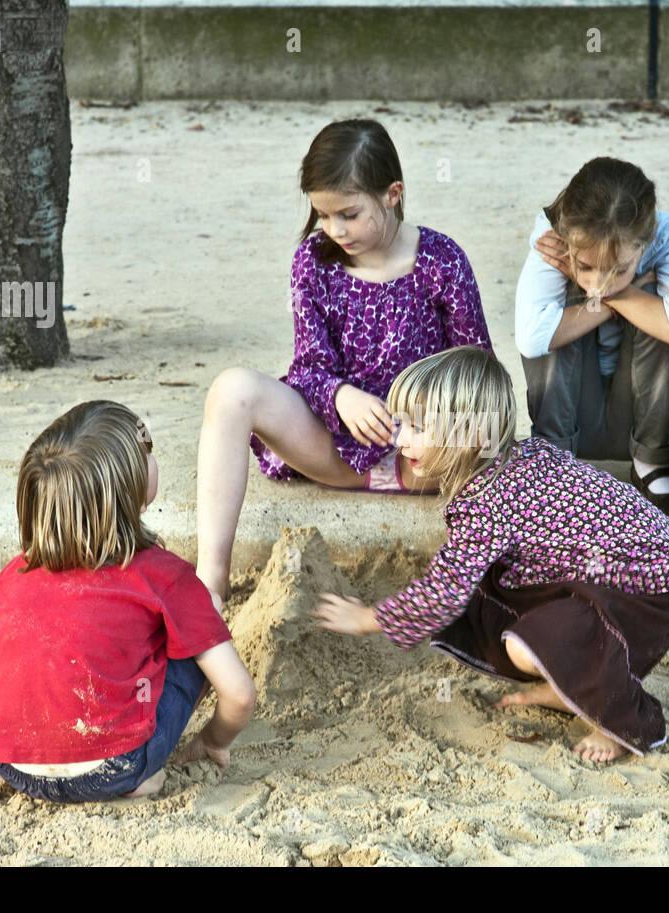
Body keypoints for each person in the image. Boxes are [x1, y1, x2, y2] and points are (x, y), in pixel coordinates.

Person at [313, 346, 669, 763]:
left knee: (523, 643)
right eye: (401, 424)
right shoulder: (512, 459)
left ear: (475, 436)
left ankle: (616, 720)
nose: (401, 439)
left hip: (647, 586)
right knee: (493, 595)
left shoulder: (490, 500)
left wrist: (367, 619)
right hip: (623, 568)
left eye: (418, 427)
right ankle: (568, 684)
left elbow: (442, 595)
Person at [196, 118, 492, 612]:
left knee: (480, 432)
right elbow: (309, 366)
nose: (335, 229)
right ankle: (211, 580)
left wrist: (426, 432)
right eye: (323, 215)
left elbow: (477, 375)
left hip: (423, 454)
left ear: (393, 193)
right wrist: (340, 395)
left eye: (349, 214)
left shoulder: (442, 262)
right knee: (231, 390)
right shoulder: (314, 261)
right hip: (332, 446)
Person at [0, 401, 256, 801]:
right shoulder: (164, 574)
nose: (154, 458)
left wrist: (20, 731)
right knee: (204, 610)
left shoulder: (15, 572)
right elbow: (239, 694)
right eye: (148, 453)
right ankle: (140, 774)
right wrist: (213, 741)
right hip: (114, 767)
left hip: (14, 767)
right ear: (133, 489)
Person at [514, 156, 669, 528]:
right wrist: (607, 292)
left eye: (617, 267)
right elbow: (531, 337)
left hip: (636, 417)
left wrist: (615, 293)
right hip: (571, 416)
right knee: (558, 301)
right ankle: (553, 460)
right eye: (585, 264)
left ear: (647, 236)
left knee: (662, 305)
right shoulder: (553, 234)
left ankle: (652, 462)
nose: (599, 281)